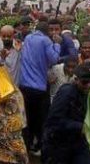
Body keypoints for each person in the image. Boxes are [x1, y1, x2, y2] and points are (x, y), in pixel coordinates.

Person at [19, 21, 61, 153]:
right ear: (47, 31)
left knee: (27, 119)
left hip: (24, 86)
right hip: (40, 88)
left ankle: (27, 147)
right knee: (42, 120)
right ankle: (43, 150)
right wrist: (57, 44)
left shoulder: (28, 38)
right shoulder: (46, 41)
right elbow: (54, 59)